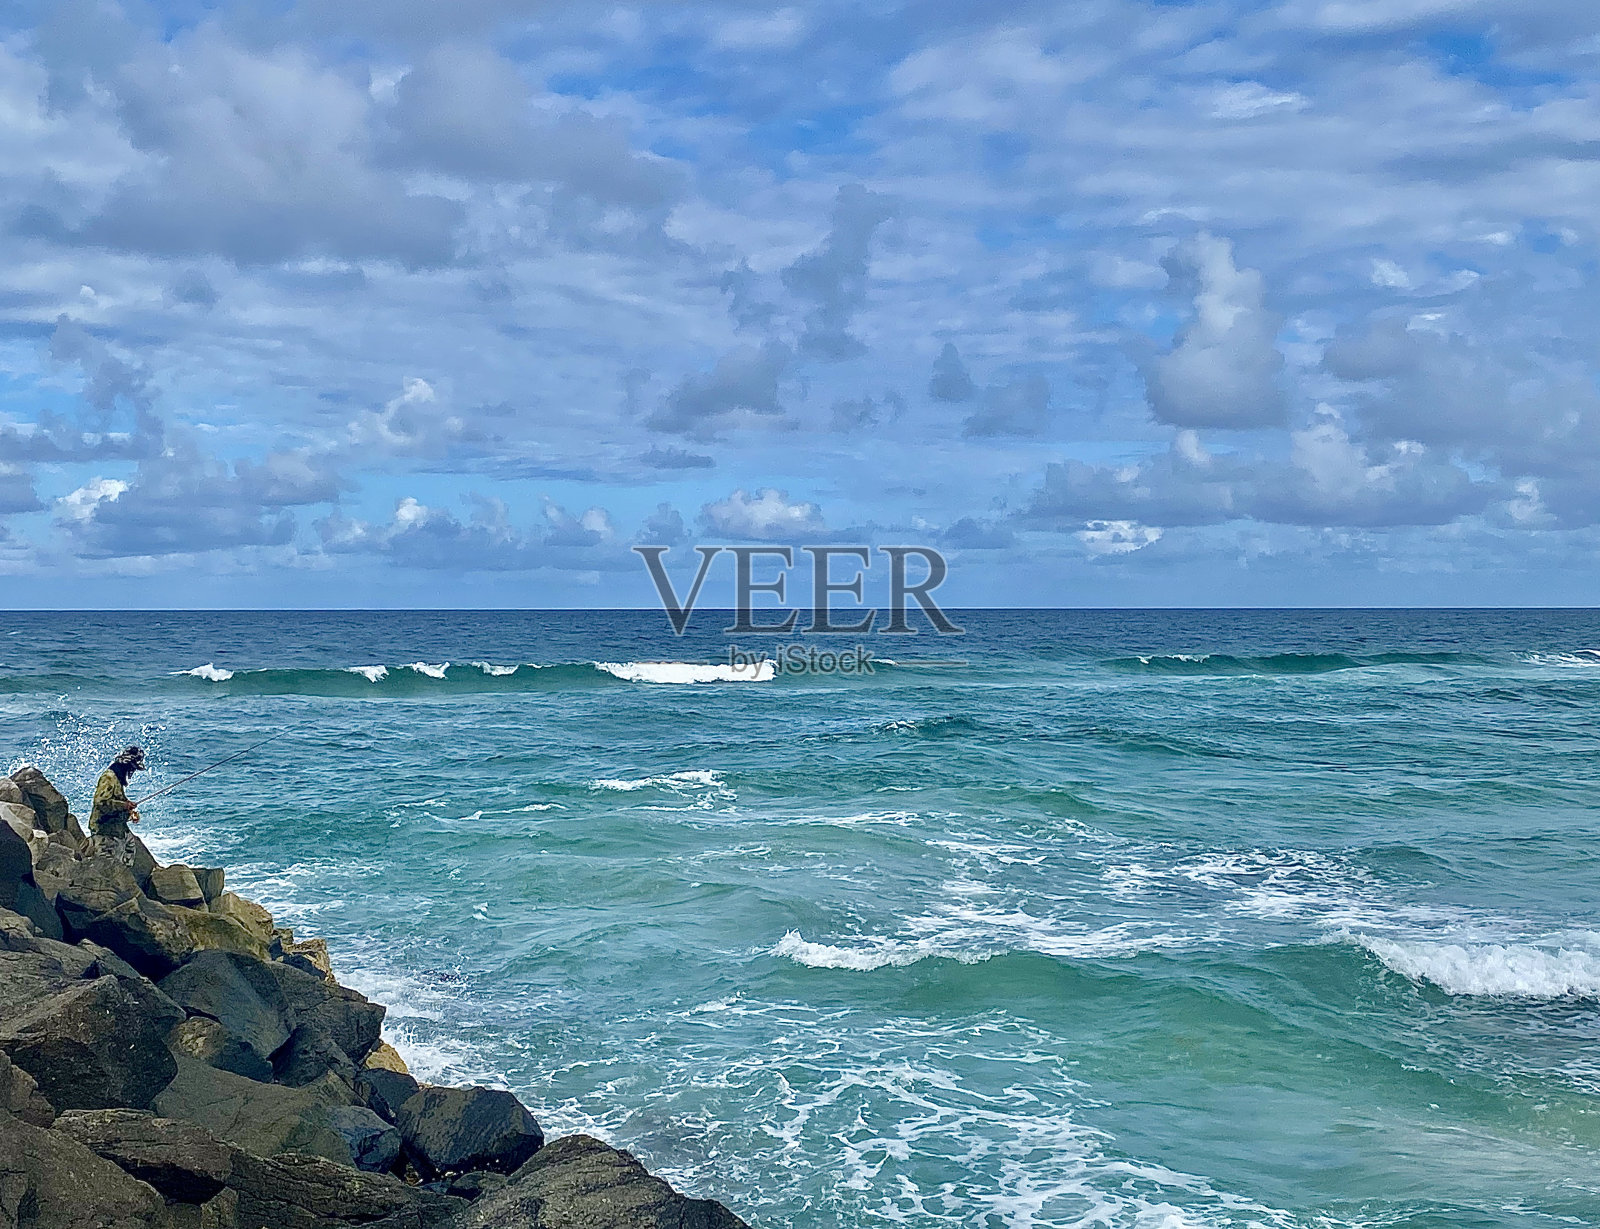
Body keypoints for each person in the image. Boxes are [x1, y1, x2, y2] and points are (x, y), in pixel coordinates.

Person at [90, 746, 146, 866]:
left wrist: (129, 810)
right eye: (132, 767)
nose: (133, 771)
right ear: (127, 765)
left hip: (114, 826)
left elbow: (116, 800)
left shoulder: (117, 777)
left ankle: (123, 876)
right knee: (108, 863)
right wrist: (124, 805)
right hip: (103, 828)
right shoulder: (109, 777)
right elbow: (100, 802)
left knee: (130, 845)